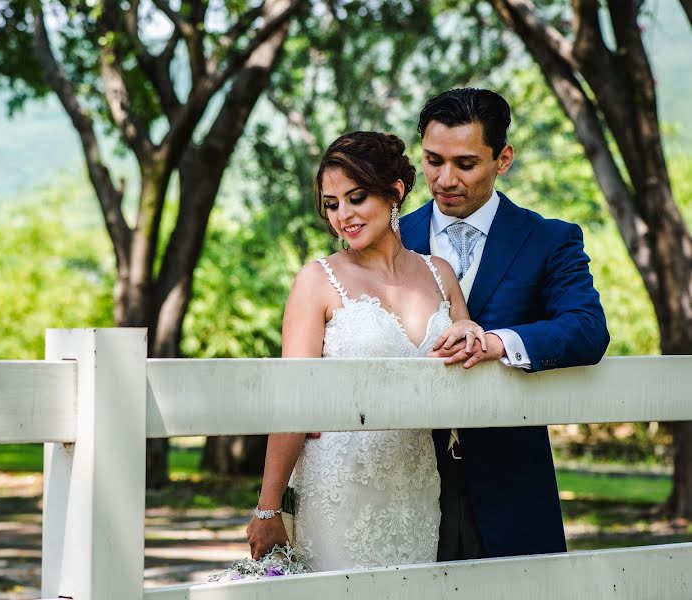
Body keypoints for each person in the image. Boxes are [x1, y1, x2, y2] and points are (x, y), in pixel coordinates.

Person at [246, 132, 485, 571]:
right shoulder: (316, 280)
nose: (343, 216)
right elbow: (292, 400)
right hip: (338, 485)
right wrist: (268, 507)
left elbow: (463, 371)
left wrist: (470, 329)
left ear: (395, 191)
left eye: (356, 198)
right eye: (332, 204)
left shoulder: (440, 274)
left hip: (414, 483)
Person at [400, 87, 610, 560]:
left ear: (503, 158)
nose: (445, 179)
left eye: (466, 163)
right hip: (402, 481)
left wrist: (498, 342)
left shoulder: (549, 239)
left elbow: (587, 328)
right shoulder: (390, 236)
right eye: (433, 160)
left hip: (510, 482)